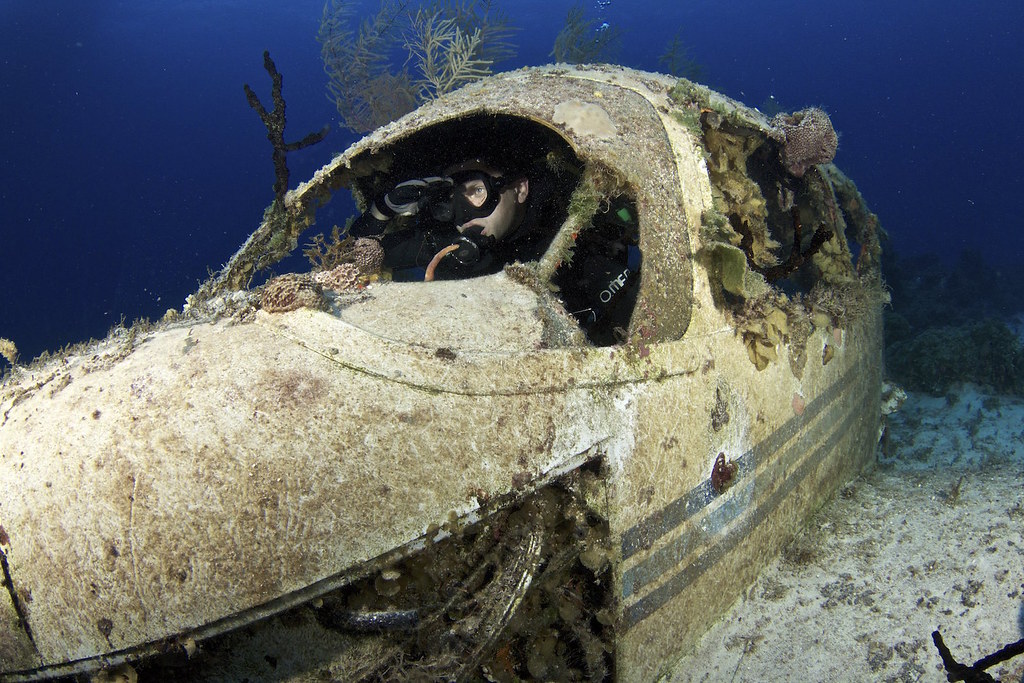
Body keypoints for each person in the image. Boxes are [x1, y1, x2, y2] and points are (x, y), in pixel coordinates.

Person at [349, 151, 641, 344]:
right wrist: (383, 209)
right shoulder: (446, 247)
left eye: (476, 191)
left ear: (520, 188)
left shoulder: (571, 210)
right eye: (453, 200)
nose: (465, 215)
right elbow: (350, 260)